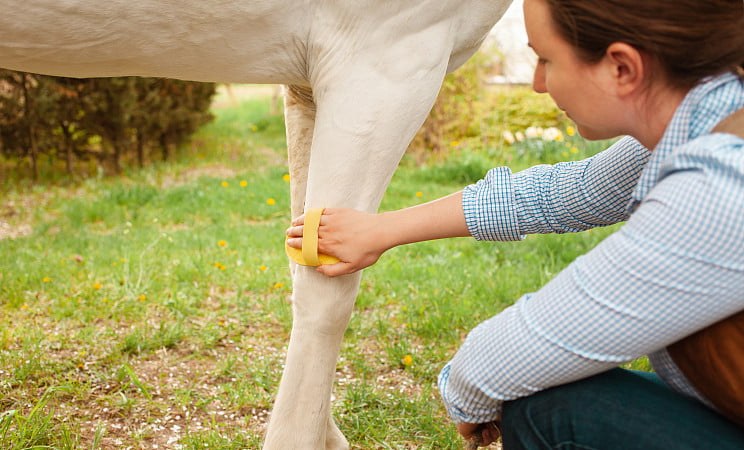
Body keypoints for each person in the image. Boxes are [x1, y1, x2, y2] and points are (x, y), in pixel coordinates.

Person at [287, 0, 744, 447]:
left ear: (621, 68)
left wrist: (465, 393)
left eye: (546, 58)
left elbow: (508, 358)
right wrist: (382, 230)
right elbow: (565, 192)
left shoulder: (719, 187)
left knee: (542, 403)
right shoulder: (712, 118)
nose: (538, 83)